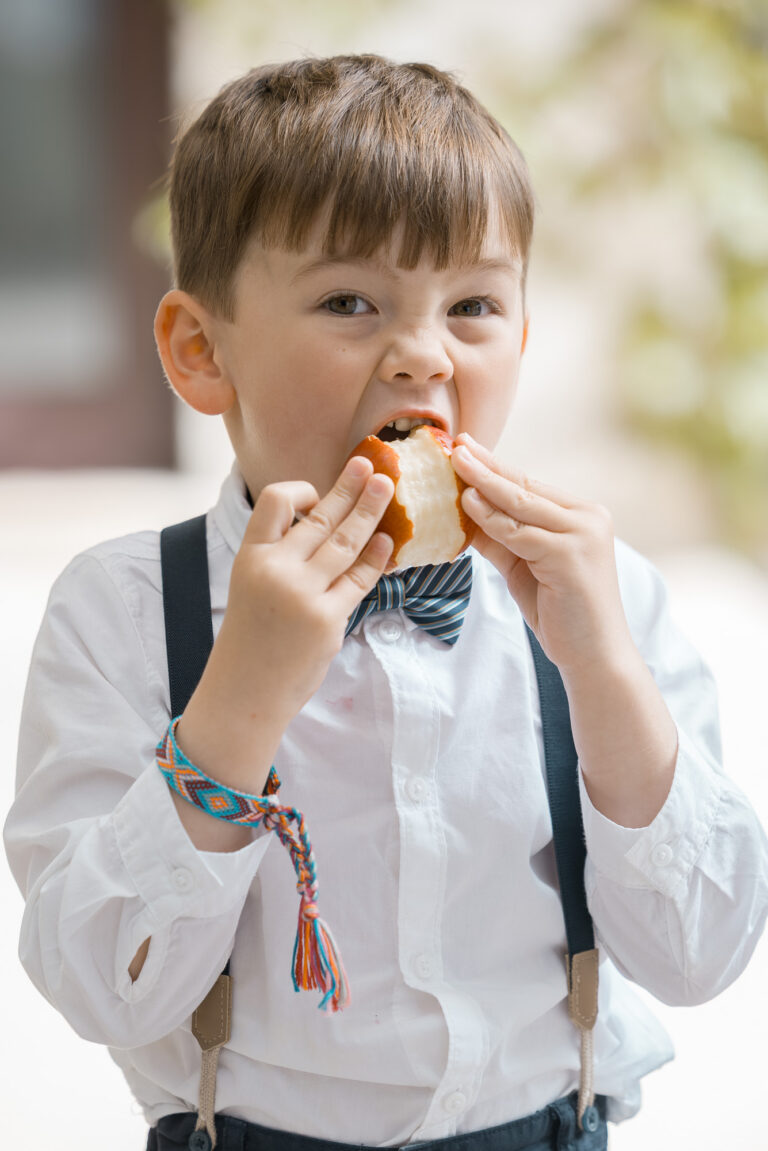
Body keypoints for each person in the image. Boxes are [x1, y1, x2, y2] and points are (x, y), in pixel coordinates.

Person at [5, 54, 767, 1151]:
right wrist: (241, 699)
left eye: (473, 305)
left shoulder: (606, 600)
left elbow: (701, 954)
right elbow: (100, 985)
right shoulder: (123, 611)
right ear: (201, 350)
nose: (423, 355)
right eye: (349, 302)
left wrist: (604, 674)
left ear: (521, 334)